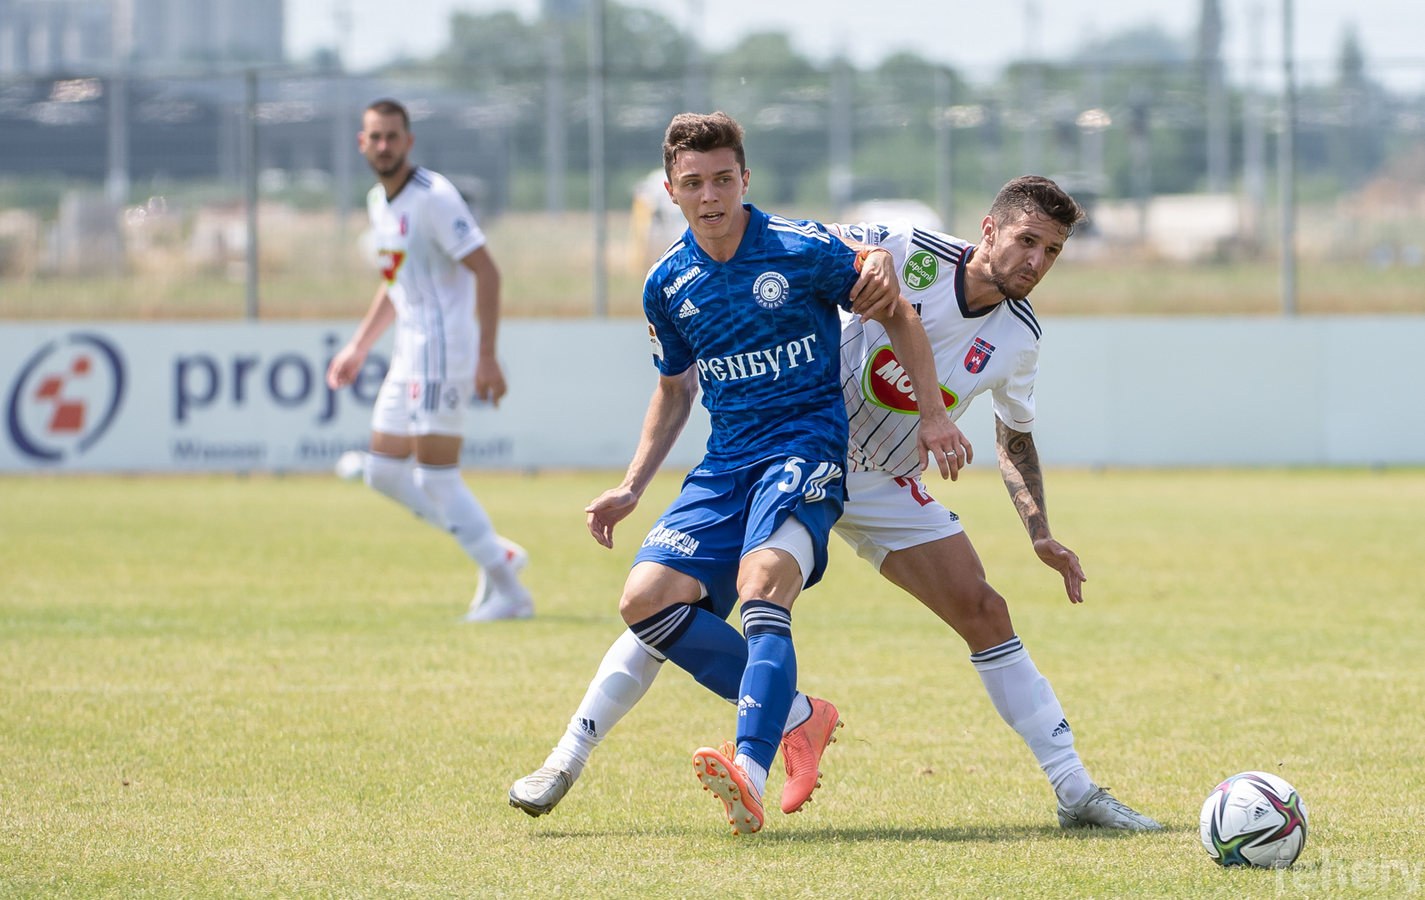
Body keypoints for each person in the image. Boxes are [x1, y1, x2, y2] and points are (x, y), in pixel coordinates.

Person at [508, 111, 965, 835]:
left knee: (761, 585)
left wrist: (935, 416)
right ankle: (799, 714)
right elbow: (674, 389)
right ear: (671, 191)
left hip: (805, 449)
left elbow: (899, 315)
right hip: (725, 464)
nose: (710, 196)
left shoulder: (801, 248)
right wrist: (631, 485)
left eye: (723, 179)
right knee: (646, 601)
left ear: (745, 179)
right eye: (693, 183)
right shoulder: (667, 282)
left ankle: (748, 770)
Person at [823, 176, 1161, 831]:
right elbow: (808, 239)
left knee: (985, 609)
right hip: (804, 450)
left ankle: (1076, 792)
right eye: (1027, 241)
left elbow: (1014, 437)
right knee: (700, 591)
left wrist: (1040, 533)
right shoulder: (911, 248)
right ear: (989, 229)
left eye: (1052, 251)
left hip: (884, 481)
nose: (1037, 262)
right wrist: (870, 256)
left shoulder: (1021, 336)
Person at [325, 98, 533, 623]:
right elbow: (394, 282)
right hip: (408, 352)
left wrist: (487, 356)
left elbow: (488, 272)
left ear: (409, 141)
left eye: (392, 136)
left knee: (437, 476)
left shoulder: (433, 197)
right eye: (375, 137)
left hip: (445, 352)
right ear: (362, 143)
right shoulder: (378, 202)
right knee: (381, 472)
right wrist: (358, 345)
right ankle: (495, 550)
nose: (383, 146)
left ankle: (511, 593)